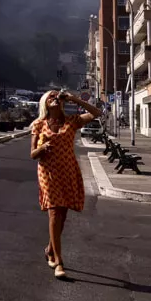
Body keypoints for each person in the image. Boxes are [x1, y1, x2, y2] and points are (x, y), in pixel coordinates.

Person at [30, 89, 101, 280]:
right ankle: (59, 261)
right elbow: (32, 154)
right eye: (50, 96)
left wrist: (73, 98)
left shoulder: (72, 121)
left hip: (68, 171)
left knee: (62, 214)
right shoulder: (39, 124)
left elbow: (97, 113)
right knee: (54, 212)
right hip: (48, 172)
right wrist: (42, 148)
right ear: (45, 103)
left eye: (56, 96)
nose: (54, 98)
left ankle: (49, 250)